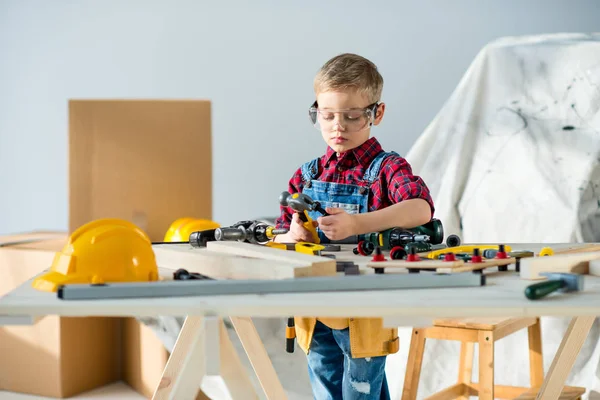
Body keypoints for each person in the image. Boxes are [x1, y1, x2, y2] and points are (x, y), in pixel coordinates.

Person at [274, 53, 435, 400]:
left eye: (351, 116)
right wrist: (291, 235)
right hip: (315, 302)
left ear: (377, 113)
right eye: (327, 115)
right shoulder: (307, 174)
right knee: (325, 378)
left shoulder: (387, 168)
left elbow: (420, 208)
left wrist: (358, 223)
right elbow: (281, 230)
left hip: (364, 306)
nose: (337, 127)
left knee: (360, 388)